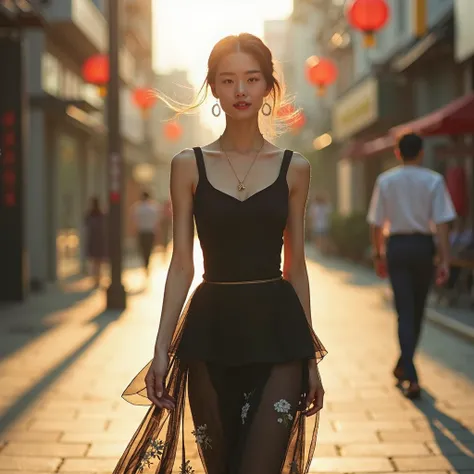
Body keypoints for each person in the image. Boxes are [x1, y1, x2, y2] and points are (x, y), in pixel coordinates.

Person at [113, 33, 327, 474]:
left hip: (279, 332)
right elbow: (181, 264)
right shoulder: (187, 165)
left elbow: (297, 267)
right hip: (210, 331)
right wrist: (160, 349)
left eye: (252, 79)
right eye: (228, 81)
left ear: (269, 86)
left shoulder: (296, 168)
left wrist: (310, 358)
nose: (241, 91)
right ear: (212, 88)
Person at [367, 132, 456, 400]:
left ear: (397, 153)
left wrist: (379, 254)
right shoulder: (433, 180)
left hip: (397, 249)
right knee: (416, 311)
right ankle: (412, 374)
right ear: (421, 153)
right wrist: (444, 259)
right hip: (422, 249)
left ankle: (403, 364)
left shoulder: (386, 180)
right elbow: (442, 223)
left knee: (405, 311)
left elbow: (376, 223)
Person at [131, 191, 161, 277]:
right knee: (149, 249)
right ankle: (147, 264)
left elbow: (134, 221)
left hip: (141, 232)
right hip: (150, 232)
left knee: (142, 249)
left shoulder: (137, 208)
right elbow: (156, 222)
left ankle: (145, 264)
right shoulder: (153, 207)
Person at [84, 197, 107, 288]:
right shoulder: (102, 215)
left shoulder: (89, 215)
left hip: (93, 239)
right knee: (99, 260)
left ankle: (95, 278)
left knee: (94, 260)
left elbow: (86, 226)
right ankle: (97, 278)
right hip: (99, 239)